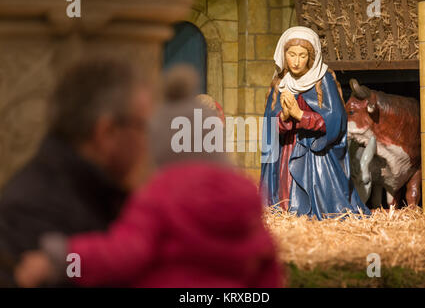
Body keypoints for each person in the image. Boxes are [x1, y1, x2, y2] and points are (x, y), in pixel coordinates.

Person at [13, 67, 282, 288]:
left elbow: (124, 252)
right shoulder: (245, 194)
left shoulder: (159, 193)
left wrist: (62, 258)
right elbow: (267, 265)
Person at [0, 58, 152, 284]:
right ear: (106, 132)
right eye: (143, 127)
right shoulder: (31, 212)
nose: (147, 142)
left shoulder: (100, 195)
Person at [260, 26, 371, 219]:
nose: (296, 61)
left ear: (311, 57)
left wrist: (301, 115)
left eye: (302, 55)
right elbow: (268, 128)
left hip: (316, 154)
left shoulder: (323, 80)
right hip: (287, 150)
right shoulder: (280, 83)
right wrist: (284, 118)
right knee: (286, 199)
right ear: (283, 54)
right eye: (291, 54)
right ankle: (287, 211)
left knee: (320, 207)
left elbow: (335, 122)